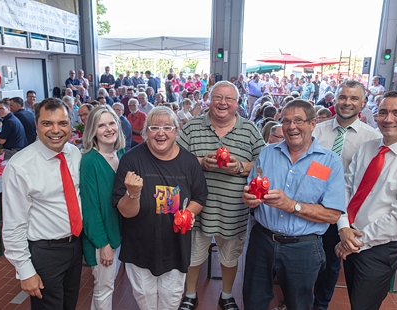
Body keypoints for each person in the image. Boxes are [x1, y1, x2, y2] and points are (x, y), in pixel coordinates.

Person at [336, 91, 397, 310]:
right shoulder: (368, 148)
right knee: (354, 299)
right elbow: (346, 188)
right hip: (350, 234)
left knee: (364, 306)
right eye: (383, 112)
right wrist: (344, 227)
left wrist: (353, 242)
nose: (388, 119)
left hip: (379, 248)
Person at [242, 99, 345, 310]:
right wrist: (249, 198)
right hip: (262, 241)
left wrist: (292, 205)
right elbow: (251, 191)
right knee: (253, 301)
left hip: (304, 247)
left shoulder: (329, 162)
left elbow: (333, 215)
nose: (291, 127)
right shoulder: (268, 153)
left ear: (313, 123)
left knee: (299, 304)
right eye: (287, 121)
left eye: (298, 120)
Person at [177, 81, 265, 310]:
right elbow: (175, 159)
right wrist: (200, 163)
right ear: (209, 99)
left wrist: (239, 167)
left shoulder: (249, 129)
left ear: (238, 103)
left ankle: (226, 294)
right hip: (198, 208)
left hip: (234, 209)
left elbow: (265, 163)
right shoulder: (192, 127)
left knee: (229, 257)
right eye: (218, 97)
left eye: (229, 99)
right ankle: (190, 294)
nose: (223, 103)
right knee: (193, 256)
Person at [113, 106, 208, 309]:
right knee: (145, 302)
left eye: (167, 127)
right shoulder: (131, 160)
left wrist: (188, 212)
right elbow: (125, 211)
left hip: (176, 248)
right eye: (154, 127)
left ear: (176, 131)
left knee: (170, 302)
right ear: (146, 132)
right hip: (140, 248)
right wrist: (133, 193)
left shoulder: (189, 162)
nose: (161, 133)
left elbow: (200, 196)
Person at [2, 97, 83, 309]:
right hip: (45, 253)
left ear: (70, 125)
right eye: (47, 123)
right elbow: (13, 224)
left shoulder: (74, 154)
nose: (56, 130)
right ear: (36, 125)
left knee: (69, 305)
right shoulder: (20, 167)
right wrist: (25, 270)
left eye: (62, 123)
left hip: (75, 247)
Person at [312, 80, 382, 310]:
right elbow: (308, 165)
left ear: (363, 103)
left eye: (354, 98)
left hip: (342, 210)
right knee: (304, 259)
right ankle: (295, 299)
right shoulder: (317, 130)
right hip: (311, 204)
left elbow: (365, 179)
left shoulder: (372, 138)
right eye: (343, 97)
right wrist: (327, 176)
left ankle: (320, 305)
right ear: (335, 100)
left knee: (331, 264)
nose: (347, 103)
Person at [80, 105, 125, 309]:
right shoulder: (90, 161)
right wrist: (103, 244)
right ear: (92, 131)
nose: (108, 129)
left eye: (111, 123)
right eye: (101, 125)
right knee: (104, 287)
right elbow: (90, 208)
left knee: (107, 285)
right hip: (102, 236)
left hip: (119, 231)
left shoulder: (121, 153)